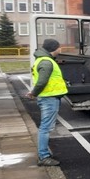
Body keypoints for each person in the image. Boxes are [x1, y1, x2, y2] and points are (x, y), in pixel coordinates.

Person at [26, 38, 67, 166]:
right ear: (54, 48)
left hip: (49, 98)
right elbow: (42, 81)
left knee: (45, 127)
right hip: (49, 99)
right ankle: (43, 156)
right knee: (45, 128)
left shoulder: (44, 60)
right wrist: (33, 93)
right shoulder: (46, 62)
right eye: (59, 47)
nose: (60, 49)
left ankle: (44, 154)